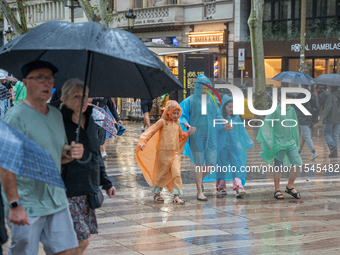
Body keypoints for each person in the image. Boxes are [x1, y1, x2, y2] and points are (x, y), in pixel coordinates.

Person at [0, 60, 84, 255]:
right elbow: (5, 166)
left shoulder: (55, 115)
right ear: (25, 82)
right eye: (40, 78)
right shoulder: (15, 118)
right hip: (27, 202)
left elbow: (57, 155)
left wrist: (70, 153)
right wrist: (14, 204)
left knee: (67, 251)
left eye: (50, 78)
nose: (47, 83)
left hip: (55, 198)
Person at [60, 78, 116, 255]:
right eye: (76, 96)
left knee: (78, 241)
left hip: (88, 188)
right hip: (66, 190)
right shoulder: (57, 119)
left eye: (85, 96)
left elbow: (96, 154)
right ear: (64, 98)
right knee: (82, 239)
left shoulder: (92, 117)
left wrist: (106, 183)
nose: (83, 100)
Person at [179, 74, 232, 201]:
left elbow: (218, 115)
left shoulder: (212, 100)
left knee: (211, 163)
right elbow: (181, 113)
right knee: (199, 163)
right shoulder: (190, 100)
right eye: (203, 86)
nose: (206, 89)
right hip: (197, 137)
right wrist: (187, 126)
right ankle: (199, 191)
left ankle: (199, 180)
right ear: (198, 86)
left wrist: (225, 122)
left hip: (211, 136)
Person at [136, 100, 194, 204]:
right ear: (168, 112)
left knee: (176, 173)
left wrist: (188, 133)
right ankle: (157, 194)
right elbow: (151, 132)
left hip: (175, 153)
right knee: (161, 173)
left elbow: (180, 135)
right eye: (173, 113)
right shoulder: (162, 122)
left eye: (177, 113)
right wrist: (143, 142)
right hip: (163, 152)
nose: (176, 115)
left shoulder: (177, 123)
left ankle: (176, 196)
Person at [257, 92, 302, 200]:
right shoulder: (275, 110)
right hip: (278, 143)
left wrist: (296, 140)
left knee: (297, 163)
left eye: (290, 97)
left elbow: (294, 125)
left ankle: (290, 187)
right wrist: (268, 139)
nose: (289, 100)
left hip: (290, 143)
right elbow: (266, 123)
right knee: (278, 166)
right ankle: (277, 189)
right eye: (287, 97)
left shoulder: (292, 110)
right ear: (280, 98)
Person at [207, 95, 253, 197]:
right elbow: (215, 132)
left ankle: (238, 187)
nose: (231, 109)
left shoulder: (237, 118)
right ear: (224, 107)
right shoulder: (219, 119)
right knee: (221, 166)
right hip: (222, 147)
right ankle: (221, 187)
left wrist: (242, 145)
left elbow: (241, 132)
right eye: (229, 107)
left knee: (237, 165)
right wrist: (224, 128)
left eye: (233, 107)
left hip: (234, 147)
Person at [294, 84, 320, 160]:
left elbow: (297, 108)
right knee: (303, 136)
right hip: (310, 117)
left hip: (303, 118)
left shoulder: (300, 95)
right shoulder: (312, 94)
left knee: (306, 136)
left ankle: (314, 152)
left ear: (301, 85)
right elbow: (317, 107)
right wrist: (314, 118)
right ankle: (298, 153)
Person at [323, 86, 340, 158]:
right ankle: (335, 154)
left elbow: (328, 107)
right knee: (335, 135)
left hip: (331, 118)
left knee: (326, 133)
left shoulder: (331, 95)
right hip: (338, 118)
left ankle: (333, 146)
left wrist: (324, 117)